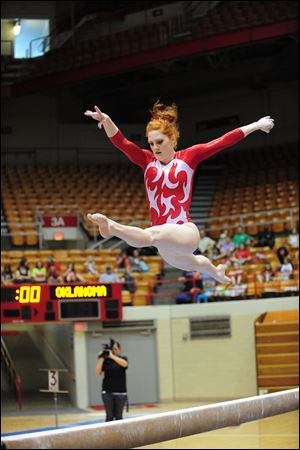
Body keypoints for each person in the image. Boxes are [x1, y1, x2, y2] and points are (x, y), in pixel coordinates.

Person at [84, 102, 274, 284]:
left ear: (172, 140)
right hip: (165, 245)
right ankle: (217, 272)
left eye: (159, 142)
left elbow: (222, 141)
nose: (155, 147)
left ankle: (111, 227)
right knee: (194, 263)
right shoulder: (146, 160)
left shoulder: (189, 156)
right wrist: (107, 120)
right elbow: (122, 142)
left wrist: (256, 125)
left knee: (150, 236)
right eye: (151, 143)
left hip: (184, 232)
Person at [95, 339, 128, 421]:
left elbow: (125, 364)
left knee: (118, 417)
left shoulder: (123, 358)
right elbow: (97, 372)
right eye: (112, 349)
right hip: (107, 392)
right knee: (109, 416)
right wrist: (102, 358)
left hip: (120, 393)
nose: (113, 351)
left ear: (119, 350)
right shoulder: (106, 361)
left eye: (115, 349)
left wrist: (112, 356)